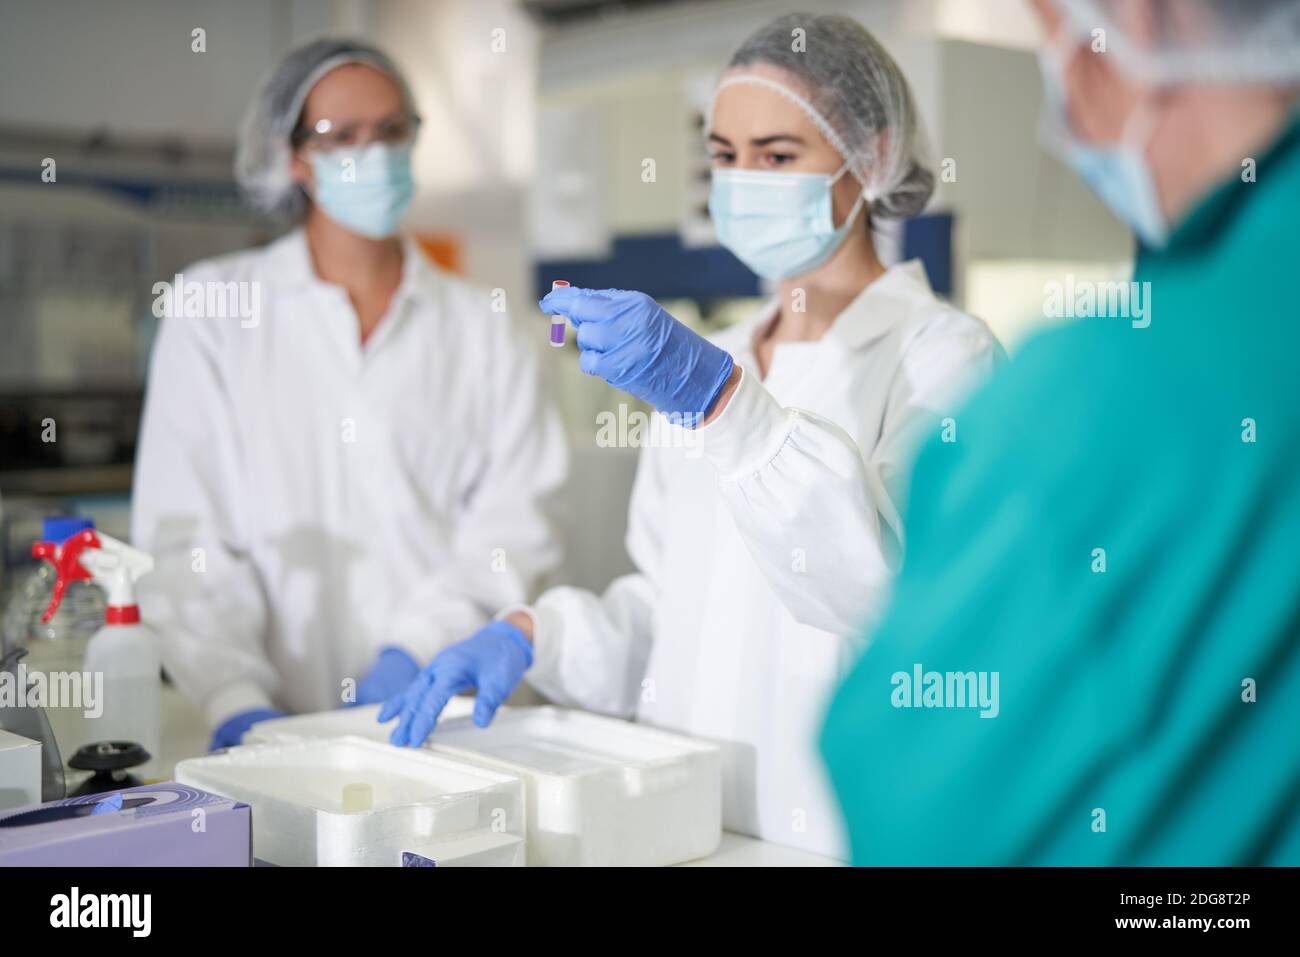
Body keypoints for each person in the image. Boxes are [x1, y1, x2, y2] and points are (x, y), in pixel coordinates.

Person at [382, 14, 1003, 857]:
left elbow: (890, 593)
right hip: (686, 829)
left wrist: (722, 405)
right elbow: (669, 603)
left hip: (836, 836)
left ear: (872, 154)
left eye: (778, 156)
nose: (743, 181)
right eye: (722, 154)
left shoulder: (942, 356)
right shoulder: (720, 358)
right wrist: (535, 635)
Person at [821, 0, 1300, 865]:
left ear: (1152, 22)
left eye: (1056, 35)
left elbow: (922, 806)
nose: (1062, 98)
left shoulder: (1089, 399)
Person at [132, 40, 566, 750]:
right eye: (342, 136)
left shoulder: (486, 325)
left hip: (443, 717)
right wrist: (235, 698)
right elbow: (186, 535)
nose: (376, 152)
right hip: (267, 730)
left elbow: (516, 523)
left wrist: (418, 647)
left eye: (392, 130)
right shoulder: (215, 308)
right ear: (293, 155)